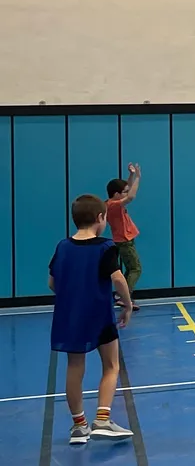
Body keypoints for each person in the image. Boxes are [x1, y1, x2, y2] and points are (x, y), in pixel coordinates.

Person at [50, 193, 133, 445]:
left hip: (69, 316)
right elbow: (118, 279)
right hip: (99, 314)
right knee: (111, 365)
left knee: (74, 366)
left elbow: (52, 283)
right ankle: (102, 420)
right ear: (100, 218)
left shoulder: (63, 246)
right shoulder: (105, 247)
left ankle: (79, 426)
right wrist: (127, 304)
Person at [104, 163, 142, 301]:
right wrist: (137, 177)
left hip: (125, 240)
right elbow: (131, 196)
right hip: (124, 241)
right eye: (124, 191)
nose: (127, 192)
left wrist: (131, 175)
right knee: (136, 269)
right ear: (116, 194)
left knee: (130, 268)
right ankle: (125, 296)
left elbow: (127, 190)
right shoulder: (113, 205)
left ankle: (122, 294)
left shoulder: (111, 203)